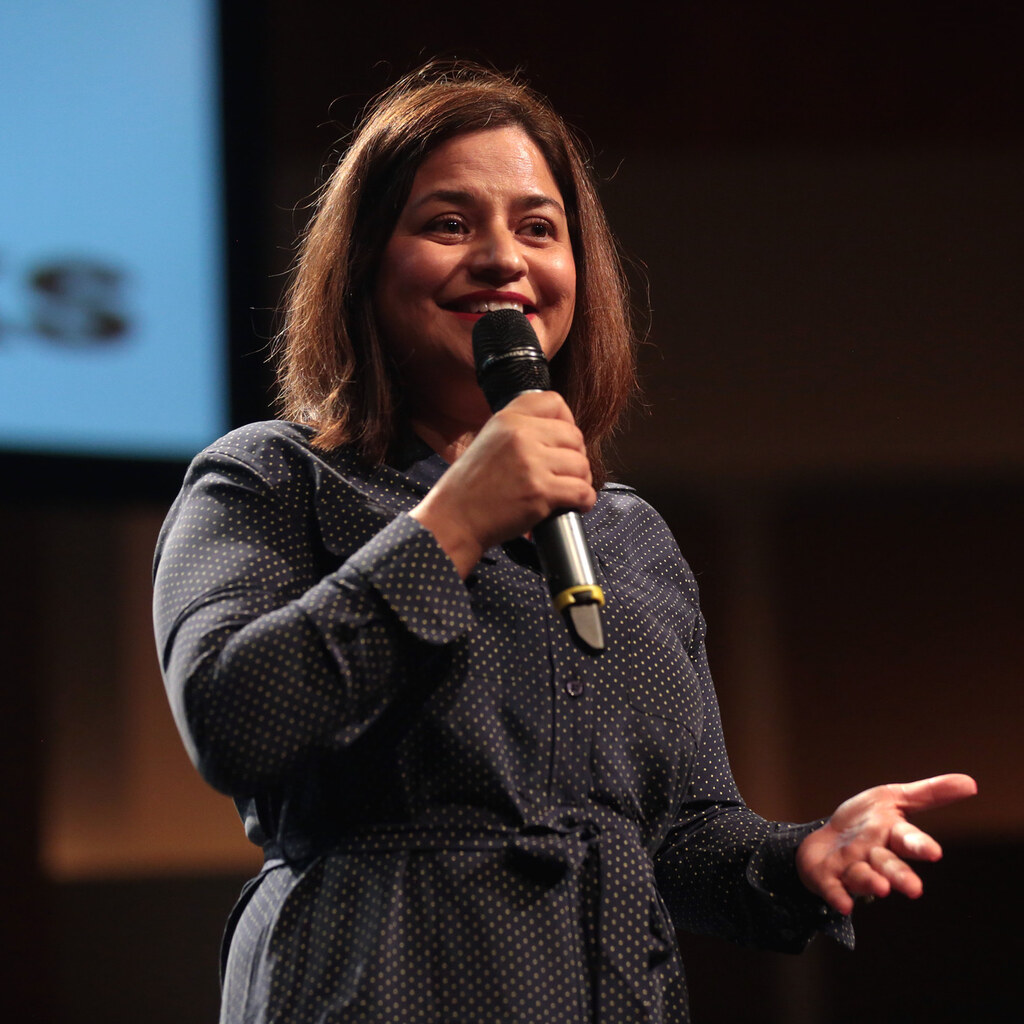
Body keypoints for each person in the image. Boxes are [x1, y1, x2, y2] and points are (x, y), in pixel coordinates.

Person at [152, 62, 976, 1023]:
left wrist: (798, 857)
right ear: (368, 263)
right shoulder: (272, 479)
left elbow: (678, 835)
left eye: (538, 228)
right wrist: (453, 523)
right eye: (450, 223)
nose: (504, 259)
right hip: (370, 982)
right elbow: (232, 716)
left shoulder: (624, 535)